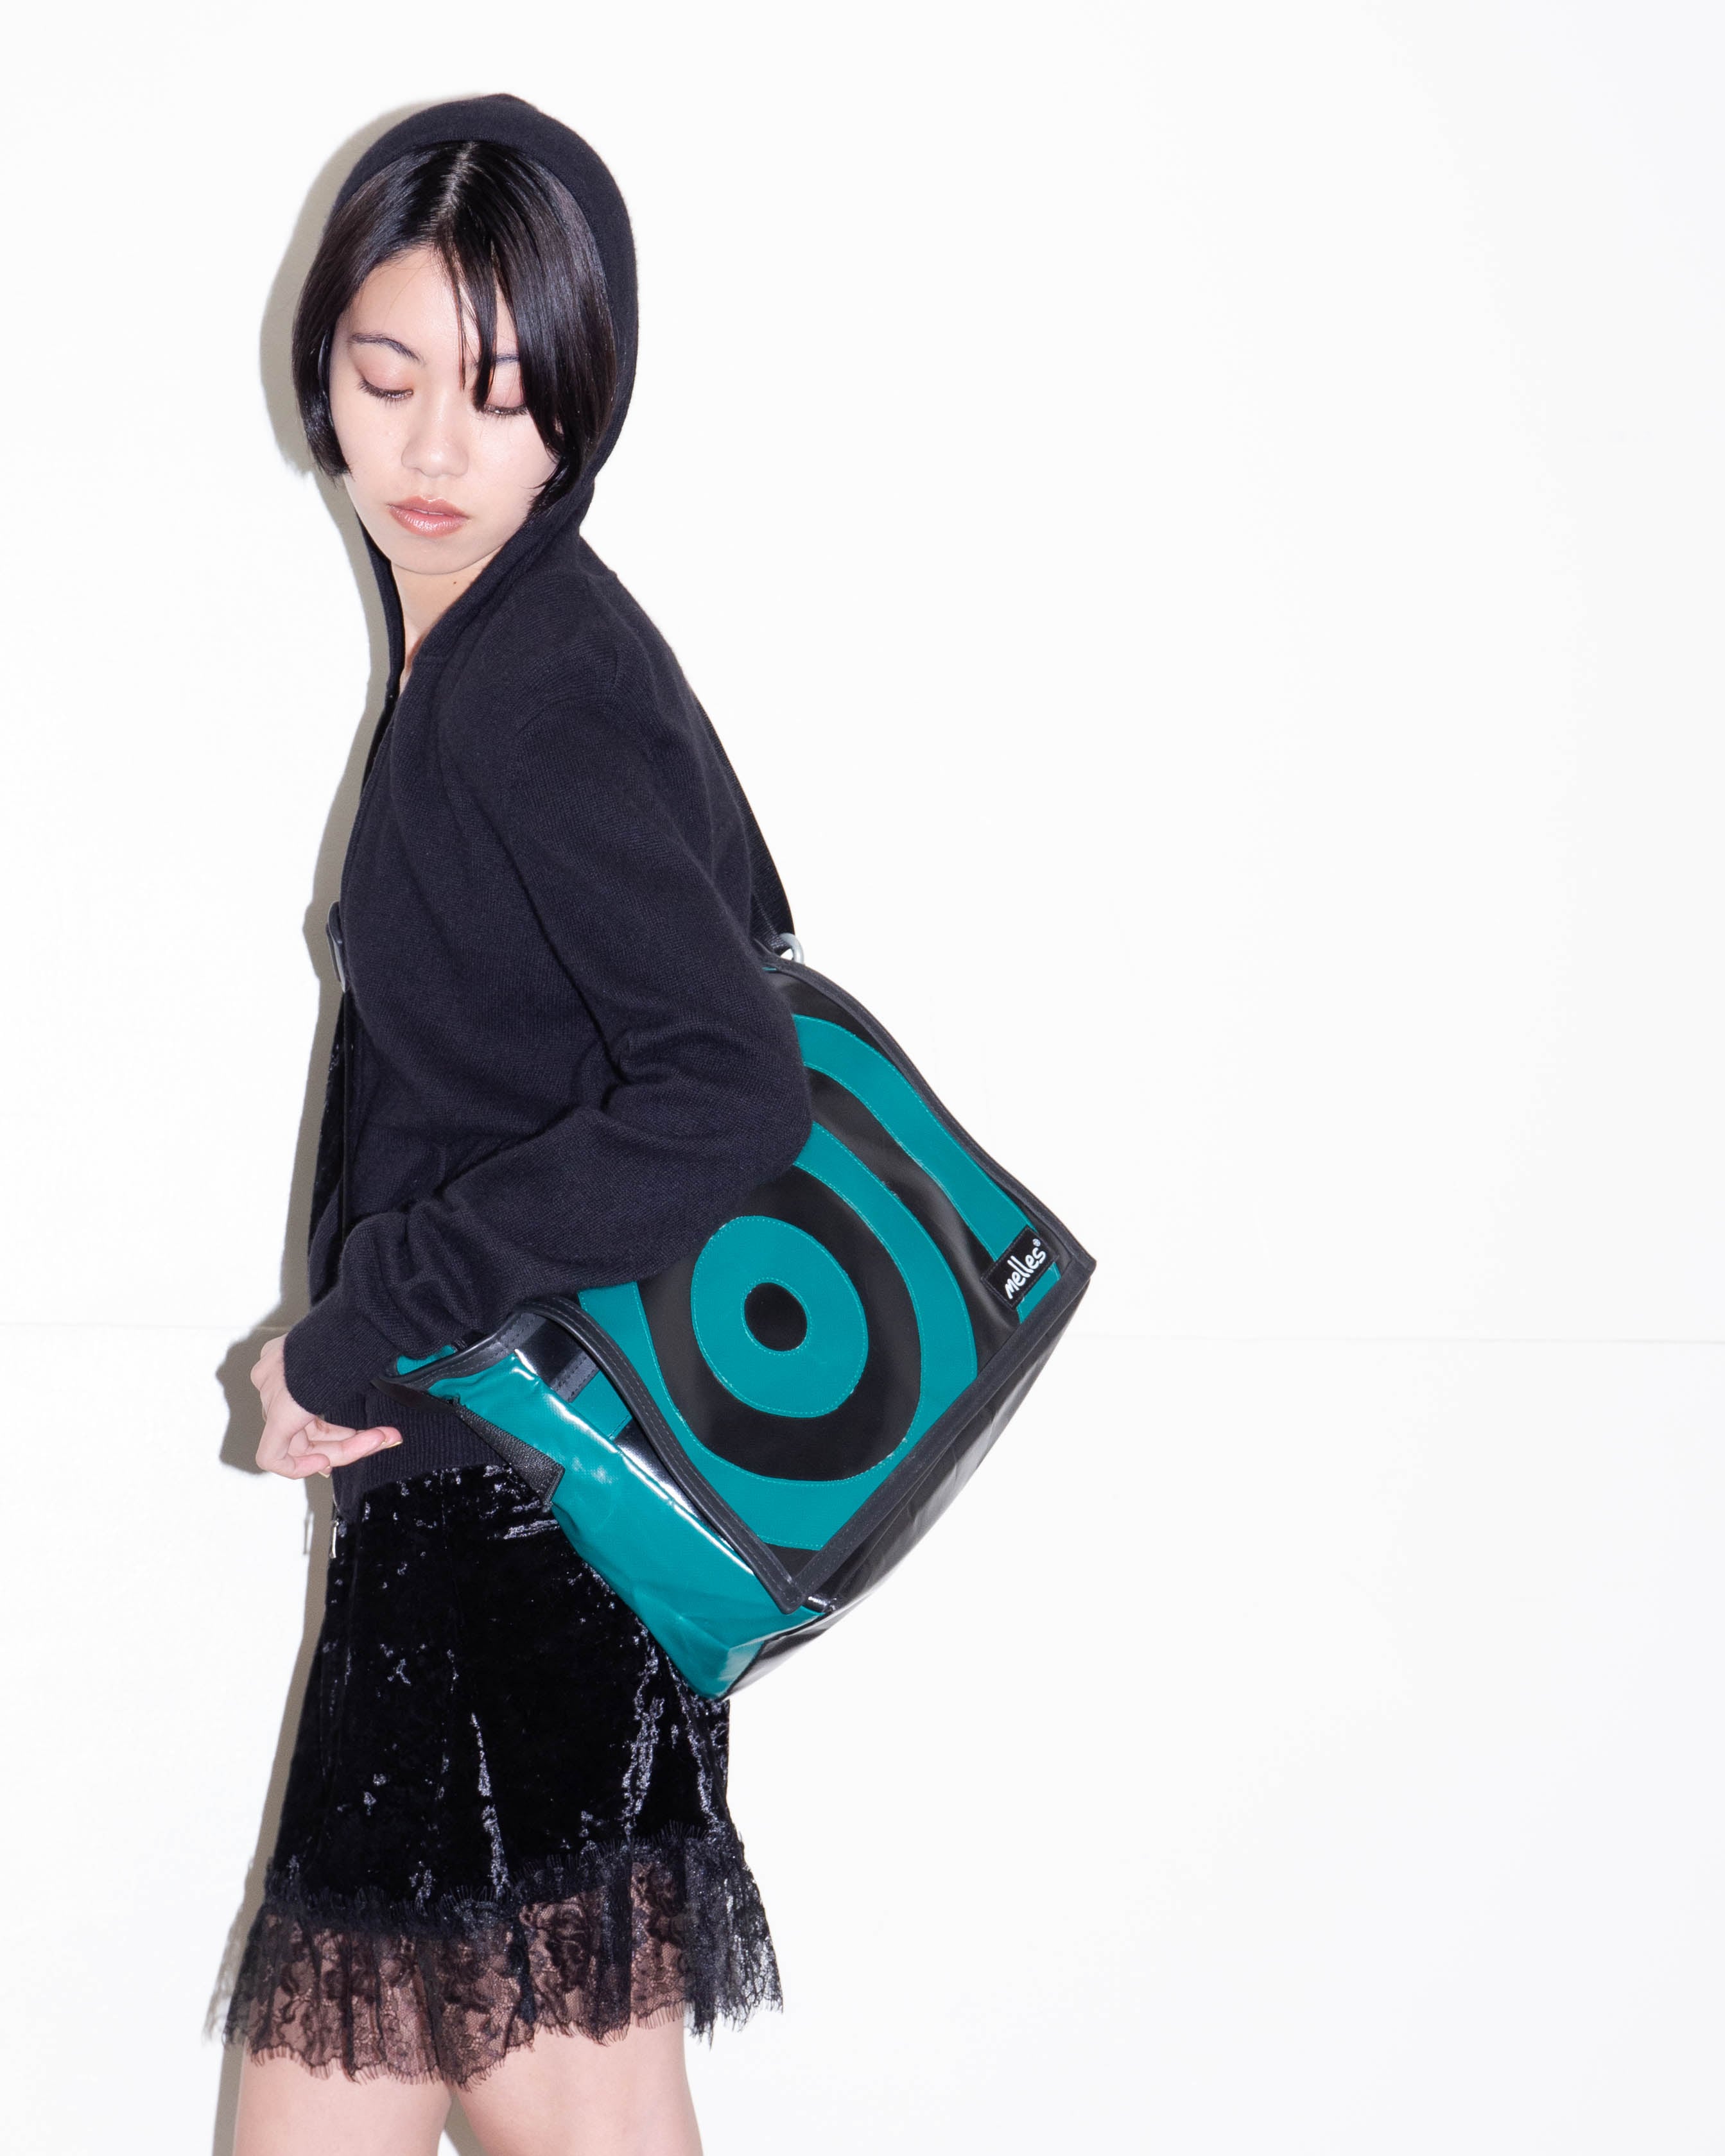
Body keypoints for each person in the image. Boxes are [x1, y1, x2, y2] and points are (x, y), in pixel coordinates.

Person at [223, 95, 813, 2156]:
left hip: (521, 1541)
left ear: (581, 401)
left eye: (500, 393)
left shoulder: (534, 683)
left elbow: (728, 1085)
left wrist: (364, 1320)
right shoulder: (500, 657)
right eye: (387, 375)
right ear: (322, 366)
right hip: (478, 1527)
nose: (432, 449)